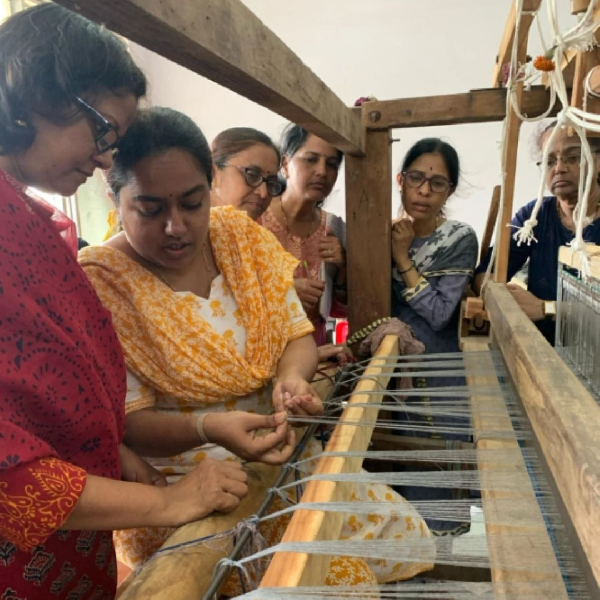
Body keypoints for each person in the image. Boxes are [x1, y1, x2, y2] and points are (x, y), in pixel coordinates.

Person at [80, 107, 435, 590]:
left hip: (274, 454)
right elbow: (130, 424)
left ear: (210, 185)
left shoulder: (241, 240)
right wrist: (208, 428)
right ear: (113, 195)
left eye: (192, 203)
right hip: (184, 490)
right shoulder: (101, 284)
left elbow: (295, 336)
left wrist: (290, 379)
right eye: (150, 209)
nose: (176, 226)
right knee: (339, 582)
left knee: (402, 534)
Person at [0, 6, 269, 599]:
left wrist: (115, 450)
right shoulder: (87, 261)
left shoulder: (30, 222)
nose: (103, 156)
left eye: (113, 140)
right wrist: (170, 500)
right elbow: (9, 474)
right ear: (37, 94)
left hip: (80, 533)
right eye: (102, 130)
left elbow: (53, 389)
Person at [391, 138, 478, 534]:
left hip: (441, 377)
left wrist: (402, 258)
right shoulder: (385, 231)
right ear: (400, 180)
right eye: (416, 178)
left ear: (449, 190)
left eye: (437, 183)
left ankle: (440, 560)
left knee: (438, 474)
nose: (424, 191)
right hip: (396, 377)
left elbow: (441, 314)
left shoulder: (459, 238)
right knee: (401, 478)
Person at [474, 121, 600, 344]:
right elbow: (486, 274)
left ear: (598, 162)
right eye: (549, 161)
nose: (558, 168)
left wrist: (545, 308)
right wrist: (502, 298)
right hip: (542, 351)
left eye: (573, 157)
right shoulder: (535, 216)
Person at [262, 124, 348, 361]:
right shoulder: (256, 219)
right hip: (261, 355)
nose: (322, 171)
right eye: (311, 160)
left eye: (332, 164)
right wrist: (284, 293)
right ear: (285, 165)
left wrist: (343, 268)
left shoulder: (335, 229)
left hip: (315, 354)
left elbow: (339, 311)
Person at [211, 126, 284, 221]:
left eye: (271, 183)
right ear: (213, 174)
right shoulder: (192, 227)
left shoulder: (257, 230)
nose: (264, 193)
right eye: (252, 175)